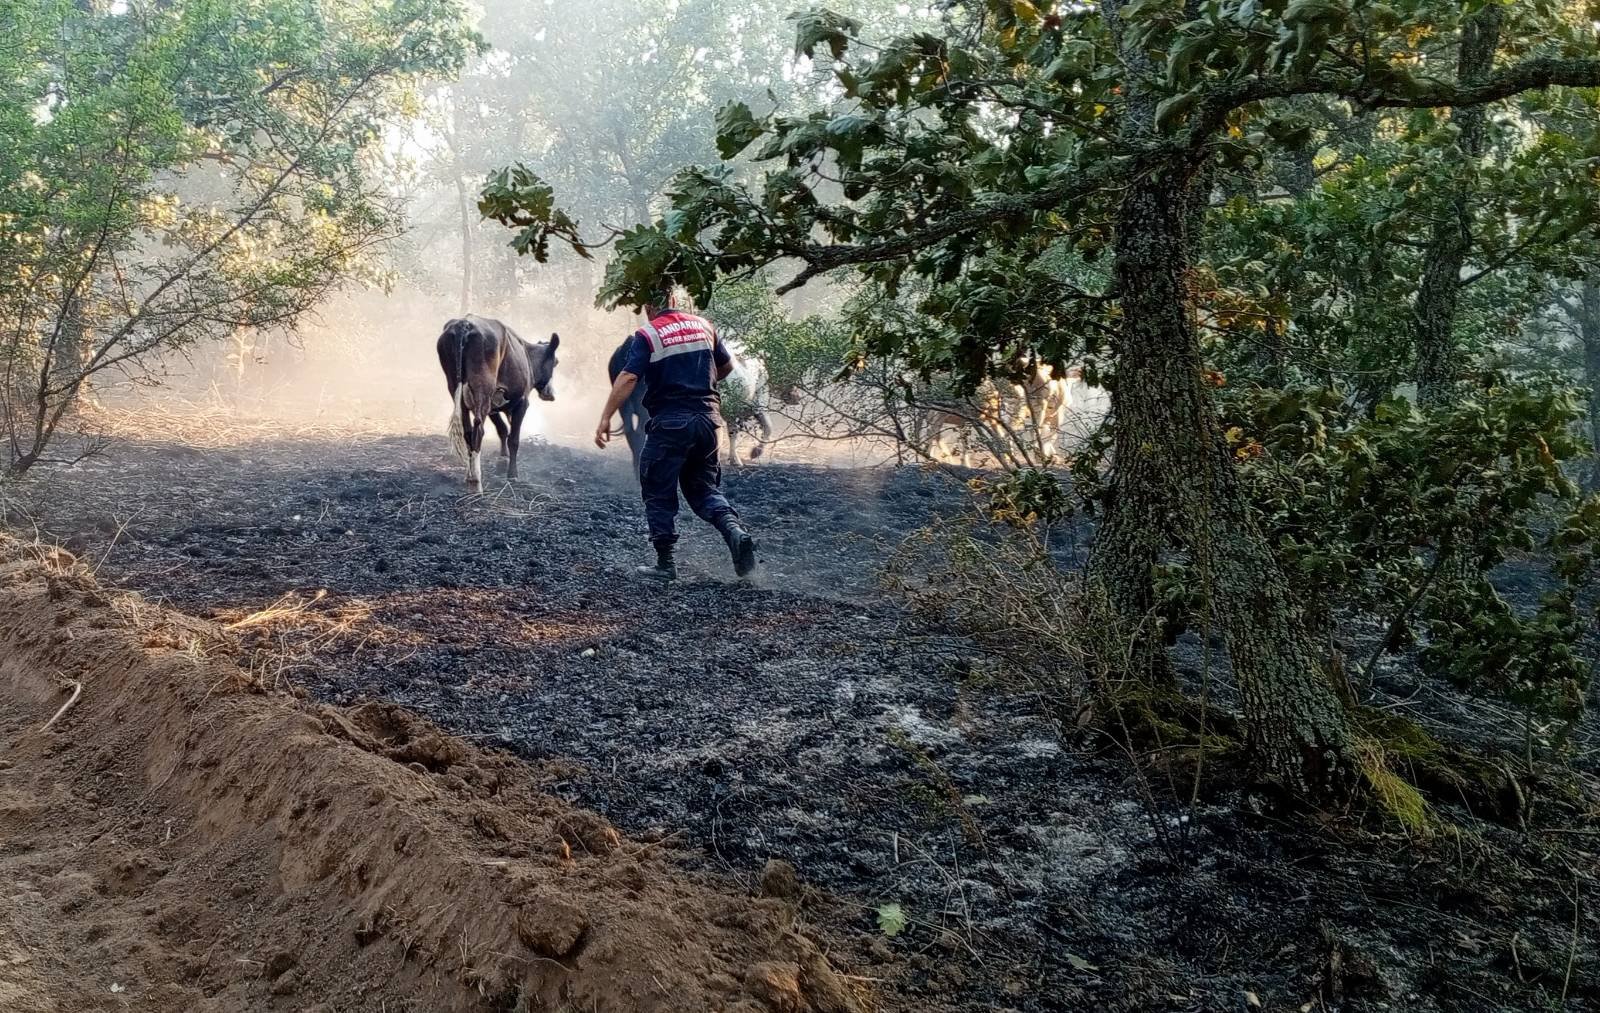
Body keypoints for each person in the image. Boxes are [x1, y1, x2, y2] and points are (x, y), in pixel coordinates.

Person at [595, 288, 758, 581]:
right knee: (704, 489)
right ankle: (734, 531)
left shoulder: (649, 334)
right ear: (672, 301)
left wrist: (606, 416)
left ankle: (665, 564)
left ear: (648, 307)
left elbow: (630, 376)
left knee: (658, 488)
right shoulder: (704, 326)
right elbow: (726, 367)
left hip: (671, 424)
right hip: (709, 423)